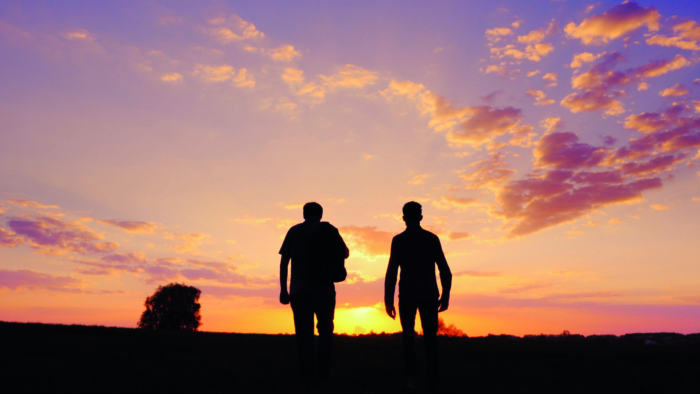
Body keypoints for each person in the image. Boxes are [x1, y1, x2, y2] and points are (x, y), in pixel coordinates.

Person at [279, 202, 349, 387]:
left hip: (299, 290)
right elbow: (345, 253)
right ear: (321, 214)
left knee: (304, 334)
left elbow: (284, 262)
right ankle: (324, 375)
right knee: (326, 332)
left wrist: (283, 289)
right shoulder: (329, 230)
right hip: (325, 290)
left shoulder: (293, 231)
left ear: (304, 214)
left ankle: (306, 376)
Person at [384, 201, 452, 388]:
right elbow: (445, 270)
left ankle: (411, 377)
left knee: (408, 337)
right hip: (429, 295)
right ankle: (433, 380)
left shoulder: (398, 240)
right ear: (421, 217)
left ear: (404, 218)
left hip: (406, 295)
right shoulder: (432, 239)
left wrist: (388, 301)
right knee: (430, 338)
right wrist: (445, 295)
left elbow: (391, 272)